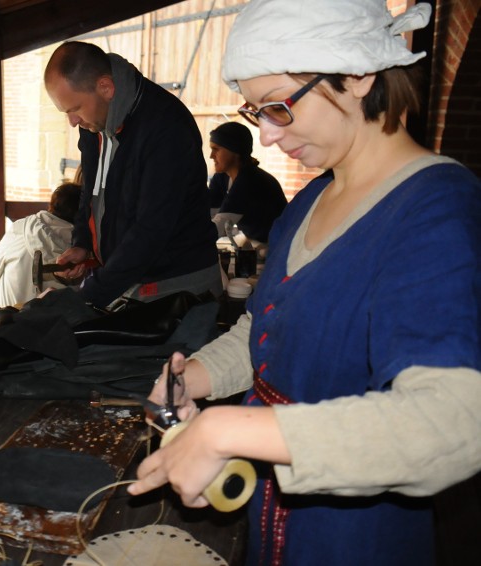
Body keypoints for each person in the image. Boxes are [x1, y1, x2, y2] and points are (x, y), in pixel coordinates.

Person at [128, 1, 481, 564]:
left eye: (278, 107)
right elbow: (266, 327)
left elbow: (454, 424)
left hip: (355, 533)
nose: (266, 136)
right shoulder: (313, 198)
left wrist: (230, 432)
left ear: (359, 75)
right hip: (269, 510)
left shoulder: (436, 209)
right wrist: (196, 376)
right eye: (255, 112)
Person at [44, 41, 221, 309]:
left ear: (105, 87)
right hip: (129, 280)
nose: (72, 121)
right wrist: (83, 243)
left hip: (177, 288)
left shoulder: (166, 127)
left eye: (74, 109)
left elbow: (151, 229)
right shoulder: (94, 123)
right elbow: (90, 193)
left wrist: (89, 294)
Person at [0, 182, 81, 311]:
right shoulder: (82, 249)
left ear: (51, 205)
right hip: (52, 327)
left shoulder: (21, 227)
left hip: (2, 322)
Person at [207, 121, 287, 246]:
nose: (211, 156)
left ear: (235, 151)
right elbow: (208, 212)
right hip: (256, 243)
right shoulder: (222, 177)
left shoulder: (250, 180)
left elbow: (219, 227)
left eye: (216, 149)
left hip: (278, 246)